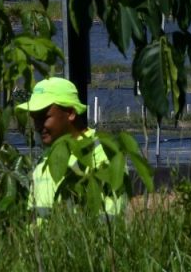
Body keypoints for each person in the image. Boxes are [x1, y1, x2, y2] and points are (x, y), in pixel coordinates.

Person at [16, 77, 125, 219]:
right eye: (35, 119)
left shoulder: (103, 153)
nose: (37, 126)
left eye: (44, 117)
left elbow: (110, 220)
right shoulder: (45, 159)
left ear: (71, 113)